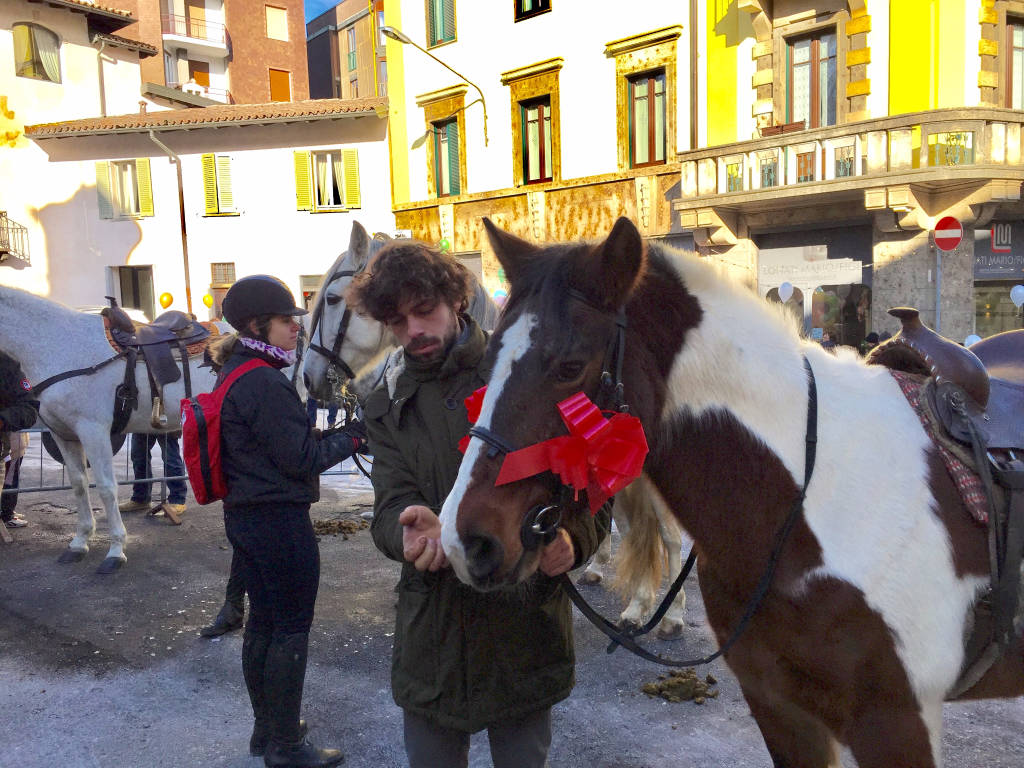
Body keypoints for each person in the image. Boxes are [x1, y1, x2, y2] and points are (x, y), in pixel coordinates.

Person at [348, 240, 610, 768]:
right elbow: (388, 504)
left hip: (523, 629)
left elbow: (594, 489)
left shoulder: (529, 367)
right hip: (435, 638)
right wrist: (406, 535)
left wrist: (573, 540)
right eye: (397, 322)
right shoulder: (385, 402)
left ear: (455, 301)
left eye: (424, 311)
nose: (413, 331)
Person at [211, 275, 367, 767]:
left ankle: (268, 730)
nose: (296, 329)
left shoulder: (237, 371)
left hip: (247, 517)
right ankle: (285, 747)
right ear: (258, 324)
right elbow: (302, 459)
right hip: (278, 522)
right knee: (290, 629)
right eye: (286, 321)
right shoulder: (263, 382)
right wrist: (358, 436)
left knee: (264, 624)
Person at [0, 350, 38, 530]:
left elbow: (28, 407)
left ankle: (7, 513)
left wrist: (3, 419)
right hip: (12, 439)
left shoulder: (7, 363)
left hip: (11, 438)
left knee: (11, 473)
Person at [118, 432, 188, 519]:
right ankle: (141, 498)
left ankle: (177, 500)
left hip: (165, 420)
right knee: (138, 454)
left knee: (170, 456)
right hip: (142, 420)